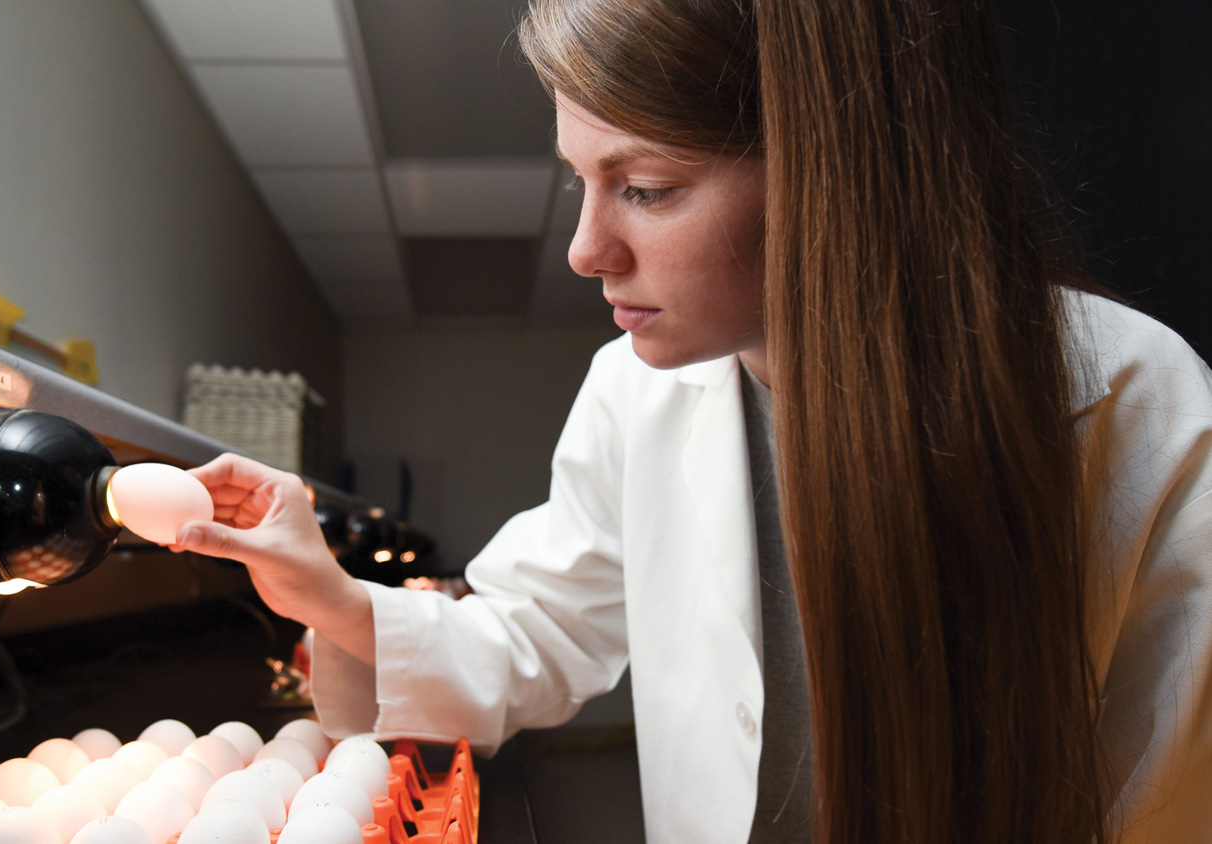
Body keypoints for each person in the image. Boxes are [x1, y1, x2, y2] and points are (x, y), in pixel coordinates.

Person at [170, 1, 1212, 842]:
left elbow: (1170, 800)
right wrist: (329, 592)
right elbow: (538, 629)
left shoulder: (1136, 405)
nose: (585, 249)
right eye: (582, 181)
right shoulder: (636, 392)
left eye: (649, 187)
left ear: (834, 172)